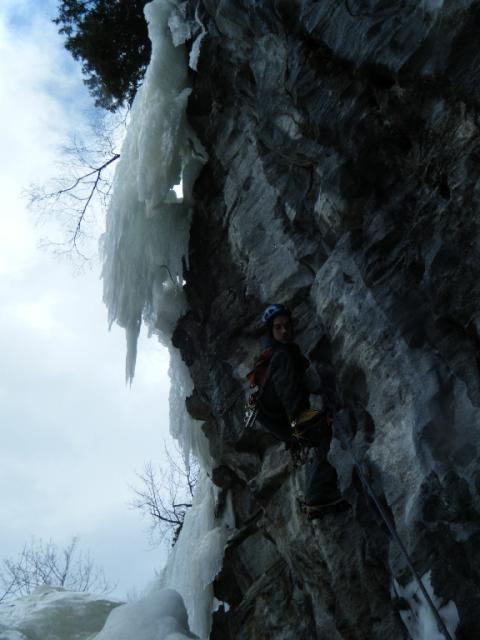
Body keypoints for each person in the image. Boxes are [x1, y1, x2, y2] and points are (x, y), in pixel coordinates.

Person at [248, 303, 349, 518]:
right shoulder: (280, 356)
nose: (284, 331)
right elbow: (288, 391)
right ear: (271, 331)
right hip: (290, 417)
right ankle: (319, 493)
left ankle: (318, 497)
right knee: (327, 428)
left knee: (320, 434)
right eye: (278, 328)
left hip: (282, 421)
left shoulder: (286, 353)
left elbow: (305, 381)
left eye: (286, 326)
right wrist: (301, 419)